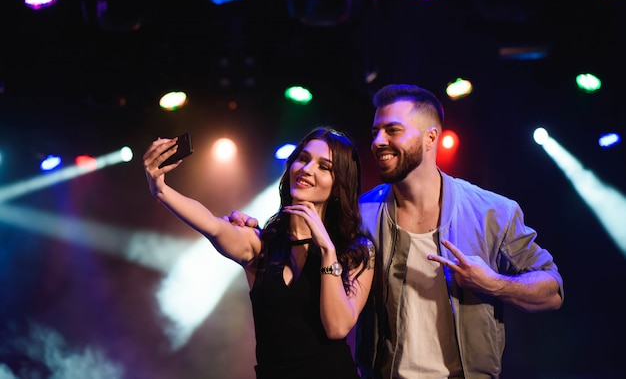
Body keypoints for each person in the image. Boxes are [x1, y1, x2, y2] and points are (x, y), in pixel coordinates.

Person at [230, 84, 564, 379]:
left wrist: (491, 282)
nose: (377, 142)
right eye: (375, 131)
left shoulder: (492, 211)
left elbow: (552, 291)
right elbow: (302, 239)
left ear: (431, 137)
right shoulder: (359, 215)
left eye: (392, 130)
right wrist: (257, 229)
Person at [143, 126, 375, 379]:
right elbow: (211, 224)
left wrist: (328, 252)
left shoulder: (357, 252)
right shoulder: (261, 245)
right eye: (304, 159)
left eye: (324, 167)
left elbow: (337, 327)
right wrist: (161, 189)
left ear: (340, 184)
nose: (307, 169)